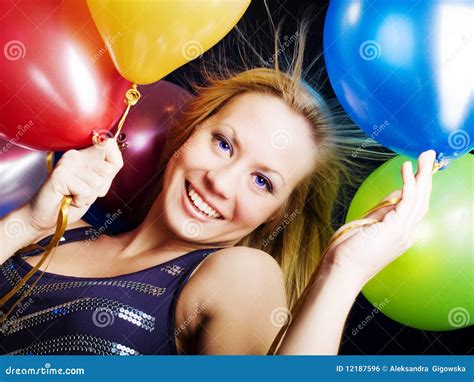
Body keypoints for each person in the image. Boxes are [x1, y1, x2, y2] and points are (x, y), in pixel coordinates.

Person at [0, 27, 435, 355]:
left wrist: (342, 273)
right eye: (223, 144)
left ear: (277, 213)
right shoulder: (58, 228)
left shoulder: (239, 274)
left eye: (262, 181)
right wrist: (29, 222)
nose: (219, 182)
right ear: (188, 132)